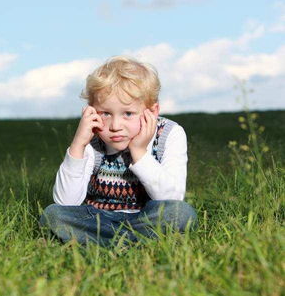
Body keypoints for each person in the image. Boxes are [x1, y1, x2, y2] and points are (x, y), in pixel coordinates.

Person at [39, 56, 197, 247]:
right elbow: (65, 201)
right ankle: (139, 242)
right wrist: (78, 145)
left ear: (153, 111)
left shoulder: (170, 134)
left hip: (147, 217)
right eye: (105, 113)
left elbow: (171, 197)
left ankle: (99, 243)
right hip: (98, 219)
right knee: (53, 215)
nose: (115, 126)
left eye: (128, 114)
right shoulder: (93, 138)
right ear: (91, 111)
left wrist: (139, 152)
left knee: (181, 213)